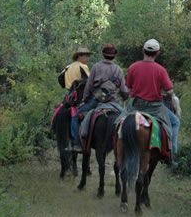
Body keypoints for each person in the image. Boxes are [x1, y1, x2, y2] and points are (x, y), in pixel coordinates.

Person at [125, 38, 179, 168]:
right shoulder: (161, 70)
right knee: (175, 122)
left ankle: (116, 147)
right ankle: (171, 155)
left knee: (118, 122)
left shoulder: (133, 67)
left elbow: (127, 89)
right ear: (157, 53)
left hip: (136, 106)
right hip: (156, 108)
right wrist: (168, 94)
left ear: (143, 51)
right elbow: (170, 91)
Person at [69, 44, 127, 152]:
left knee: (75, 117)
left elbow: (88, 86)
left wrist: (85, 99)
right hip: (113, 102)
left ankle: (77, 144)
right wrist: (124, 97)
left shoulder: (96, 67)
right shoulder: (118, 70)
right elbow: (124, 90)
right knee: (127, 120)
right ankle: (126, 147)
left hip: (96, 101)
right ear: (114, 56)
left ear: (103, 54)